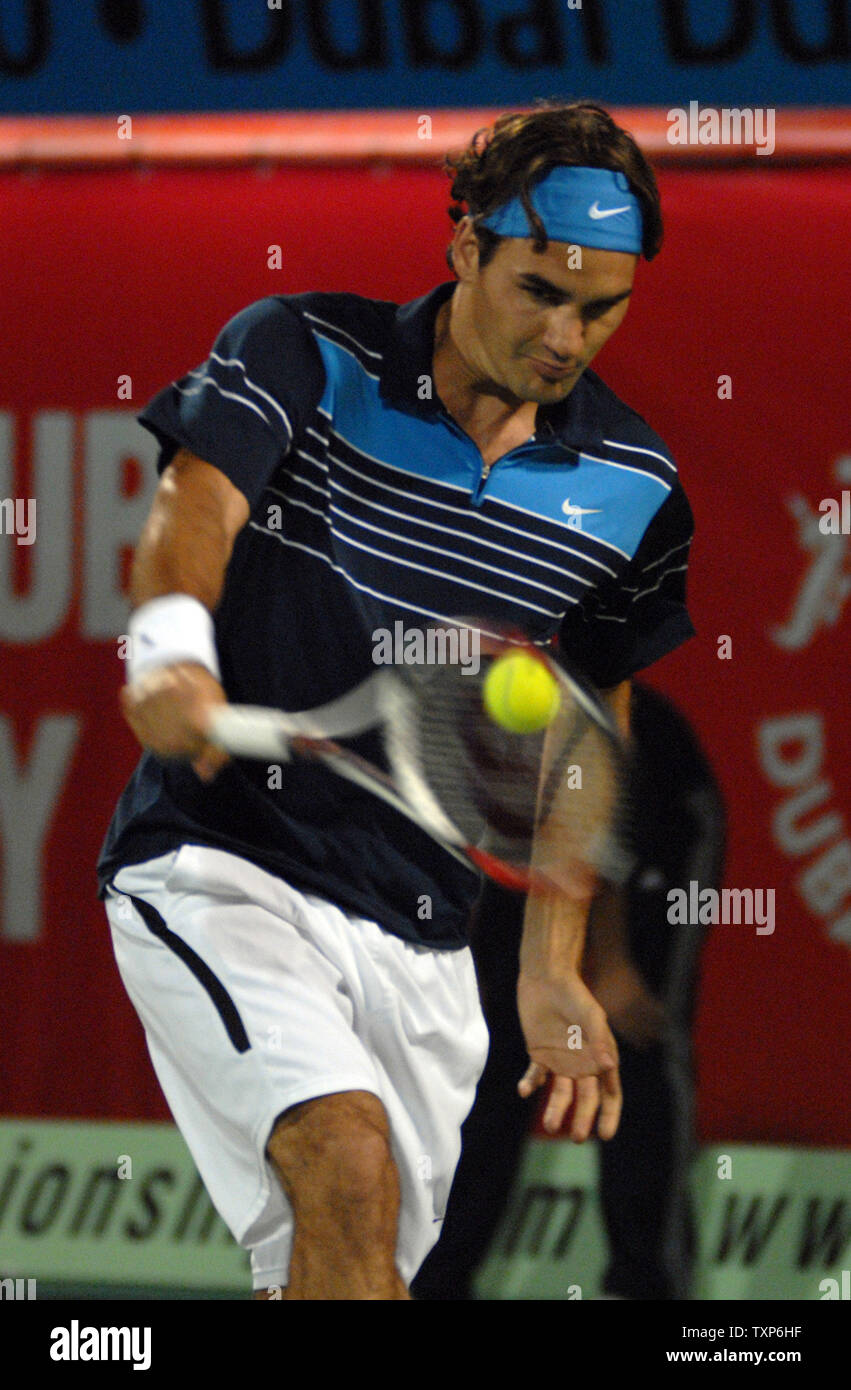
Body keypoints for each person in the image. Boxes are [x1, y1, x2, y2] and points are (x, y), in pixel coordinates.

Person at [97, 100, 696, 1300]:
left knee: (343, 1274)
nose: (567, 334)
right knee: (345, 1161)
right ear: (463, 245)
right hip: (226, 866)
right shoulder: (302, 351)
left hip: (425, 938)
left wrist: (547, 965)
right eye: (539, 289)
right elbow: (195, 507)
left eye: (602, 306)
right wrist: (169, 648)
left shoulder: (634, 487)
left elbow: (584, 731)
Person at [412, 684, 725, 1301]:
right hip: (526, 834)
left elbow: (593, 815)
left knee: (628, 1040)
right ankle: (437, 1282)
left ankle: (647, 1286)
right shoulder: (432, 719)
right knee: (492, 1047)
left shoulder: (583, 709)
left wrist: (605, 961)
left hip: (647, 818)